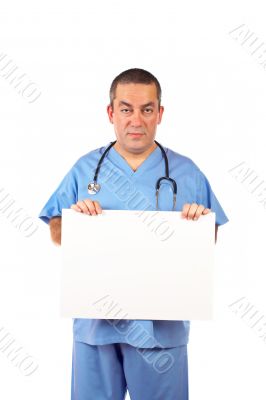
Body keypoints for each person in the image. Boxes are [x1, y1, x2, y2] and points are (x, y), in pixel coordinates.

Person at [39, 68, 229, 400]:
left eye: (147, 109)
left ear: (160, 113)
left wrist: (199, 223)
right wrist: (76, 222)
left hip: (161, 329)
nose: (136, 120)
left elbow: (208, 239)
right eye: (126, 109)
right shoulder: (85, 169)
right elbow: (56, 229)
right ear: (111, 113)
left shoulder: (187, 172)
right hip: (96, 325)